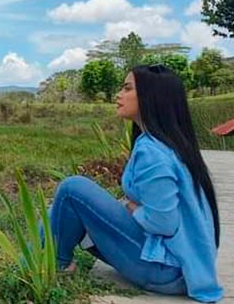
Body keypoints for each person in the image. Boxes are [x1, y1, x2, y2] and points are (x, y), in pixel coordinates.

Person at [49, 64, 223, 302]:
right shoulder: (163, 144)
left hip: (166, 270)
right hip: (171, 264)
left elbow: (163, 223)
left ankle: (56, 267)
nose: (119, 95)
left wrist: (132, 208)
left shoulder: (154, 153)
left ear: (151, 98)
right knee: (59, 209)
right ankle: (33, 258)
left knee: (72, 189)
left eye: (127, 88)